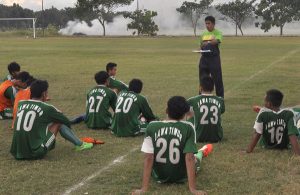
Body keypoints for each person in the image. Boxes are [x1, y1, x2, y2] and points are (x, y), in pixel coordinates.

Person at [132, 96, 211, 195]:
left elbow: (148, 157)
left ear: (166, 110)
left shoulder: (152, 126)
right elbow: (189, 158)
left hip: (159, 176)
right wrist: (193, 189)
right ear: (184, 115)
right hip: (182, 176)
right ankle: (202, 151)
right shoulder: (188, 127)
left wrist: (143, 189)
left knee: (192, 156)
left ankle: (202, 151)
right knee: (195, 158)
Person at [10, 80, 93, 160]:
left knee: (41, 123)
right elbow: (66, 121)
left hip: (16, 152)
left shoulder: (21, 103)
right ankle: (80, 144)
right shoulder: (47, 108)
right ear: (44, 93)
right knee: (59, 122)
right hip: (35, 152)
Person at [246, 89, 300, 155]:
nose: (264, 102)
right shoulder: (289, 113)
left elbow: (257, 133)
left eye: (265, 100)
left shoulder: (262, 114)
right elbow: (292, 134)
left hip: (266, 145)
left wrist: (249, 150)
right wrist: (298, 154)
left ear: (269, 104)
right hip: (284, 146)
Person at [188, 76, 225, 142]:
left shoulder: (192, 100)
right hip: (217, 137)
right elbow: (221, 111)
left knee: (190, 113)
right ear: (213, 88)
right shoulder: (220, 100)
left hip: (198, 137)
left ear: (200, 88)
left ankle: (193, 132)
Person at [199, 16, 224, 98]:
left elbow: (217, 41)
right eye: (206, 23)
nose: (207, 25)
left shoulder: (218, 33)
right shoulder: (203, 33)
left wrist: (208, 42)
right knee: (203, 79)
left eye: (209, 23)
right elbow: (201, 45)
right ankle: (201, 96)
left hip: (214, 59)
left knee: (217, 79)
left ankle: (220, 97)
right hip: (204, 59)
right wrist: (201, 48)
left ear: (213, 24)